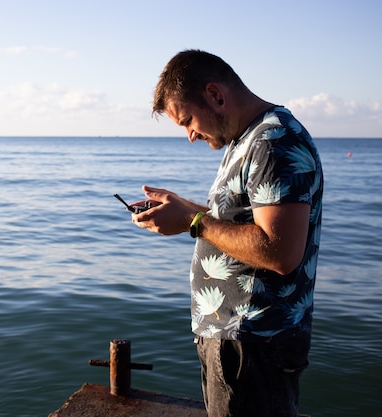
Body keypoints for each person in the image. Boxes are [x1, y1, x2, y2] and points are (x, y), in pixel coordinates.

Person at [130, 50, 323, 417]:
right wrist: (187, 210)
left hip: (253, 345)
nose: (189, 135)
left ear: (216, 95)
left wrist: (193, 223)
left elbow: (280, 251)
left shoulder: (273, 141)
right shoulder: (247, 139)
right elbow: (243, 224)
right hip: (238, 343)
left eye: (187, 120)